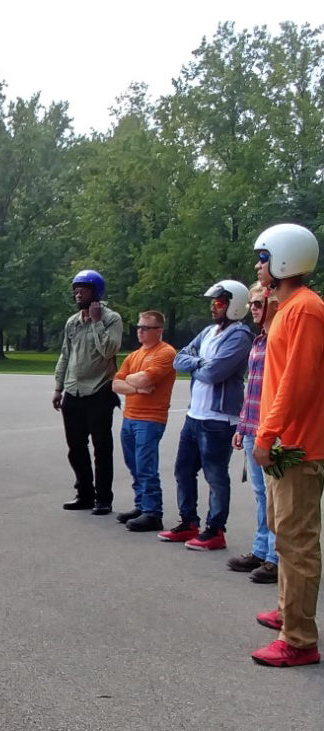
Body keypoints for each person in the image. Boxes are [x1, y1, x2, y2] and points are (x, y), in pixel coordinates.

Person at [248, 223, 324, 668]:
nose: (258, 266)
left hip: (298, 446)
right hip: (284, 445)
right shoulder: (288, 306)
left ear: (283, 260)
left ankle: (299, 640)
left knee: (297, 542)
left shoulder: (307, 310)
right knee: (281, 531)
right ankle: (286, 611)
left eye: (263, 257)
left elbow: (296, 382)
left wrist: (267, 434)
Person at [159, 280, 252, 550]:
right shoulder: (209, 331)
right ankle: (189, 522)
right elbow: (179, 358)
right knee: (183, 470)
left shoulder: (240, 335)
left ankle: (215, 530)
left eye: (220, 302)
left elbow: (215, 373)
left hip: (219, 420)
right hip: (195, 416)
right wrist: (201, 362)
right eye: (213, 302)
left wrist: (200, 366)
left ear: (234, 305)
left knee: (215, 475)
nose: (214, 307)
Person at [53, 269, 123, 515]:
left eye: (82, 288)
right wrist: (58, 387)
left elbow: (109, 350)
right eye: (75, 288)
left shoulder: (111, 319)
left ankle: (103, 498)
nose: (77, 292)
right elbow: (65, 354)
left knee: (102, 448)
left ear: (96, 292)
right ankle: (84, 493)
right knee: (76, 447)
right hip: (73, 392)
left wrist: (96, 322)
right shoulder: (72, 322)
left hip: (99, 391)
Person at [228, 283, 279, 583]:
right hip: (252, 428)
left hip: (271, 431)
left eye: (258, 303)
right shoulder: (259, 341)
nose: (253, 310)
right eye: (250, 305)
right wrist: (243, 426)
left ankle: (275, 557)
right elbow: (253, 390)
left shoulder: (280, 339)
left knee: (275, 499)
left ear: (274, 303)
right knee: (261, 495)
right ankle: (261, 550)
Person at [112, 310, 177, 532]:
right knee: (134, 464)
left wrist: (134, 382)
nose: (140, 331)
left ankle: (153, 512)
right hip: (130, 417)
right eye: (139, 327)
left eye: (145, 328)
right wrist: (138, 387)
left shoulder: (165, 353)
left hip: (151, 419)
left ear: (158, 330)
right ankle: (141, 504)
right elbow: (115, 384)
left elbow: (144, 378)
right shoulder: (134, 355)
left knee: (146, 466)